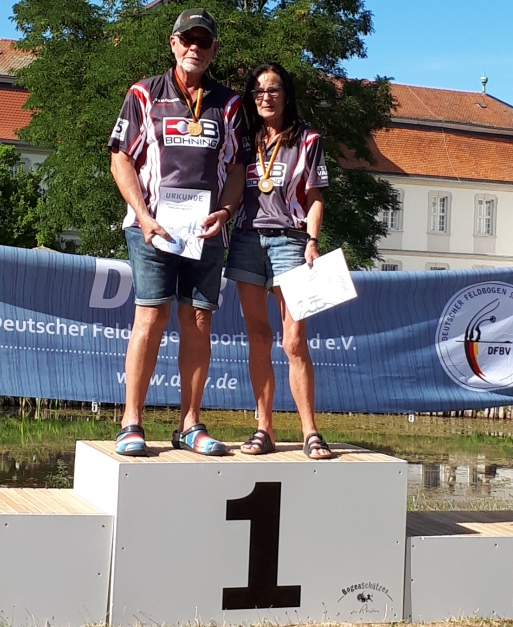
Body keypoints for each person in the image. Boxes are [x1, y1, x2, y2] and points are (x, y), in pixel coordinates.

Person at [107, 9, 249, 456]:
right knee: (150, 316)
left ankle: (190, 424)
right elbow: (120, 158)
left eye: (203, 42)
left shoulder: (228, 104)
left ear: (214, 50)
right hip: (152, 228)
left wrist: (225, 211)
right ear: (173, 43)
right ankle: (132, 422)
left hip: (206, 232)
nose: (195, 48)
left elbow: (239, 169)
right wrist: (143, 216)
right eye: (188, 40)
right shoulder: (143, 93)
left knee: (199, 320)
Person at [224, 63, 332, 460]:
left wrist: (312, 241)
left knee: (293, 340)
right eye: (257, 91)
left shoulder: (307, 139)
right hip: (247, 239)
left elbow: (316, 196)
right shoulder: (244, 140)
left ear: (286, 94)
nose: (265, 97)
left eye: (272, 89)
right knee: (257, 338)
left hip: (290, 240)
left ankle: (310, 432)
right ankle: (263, 428)